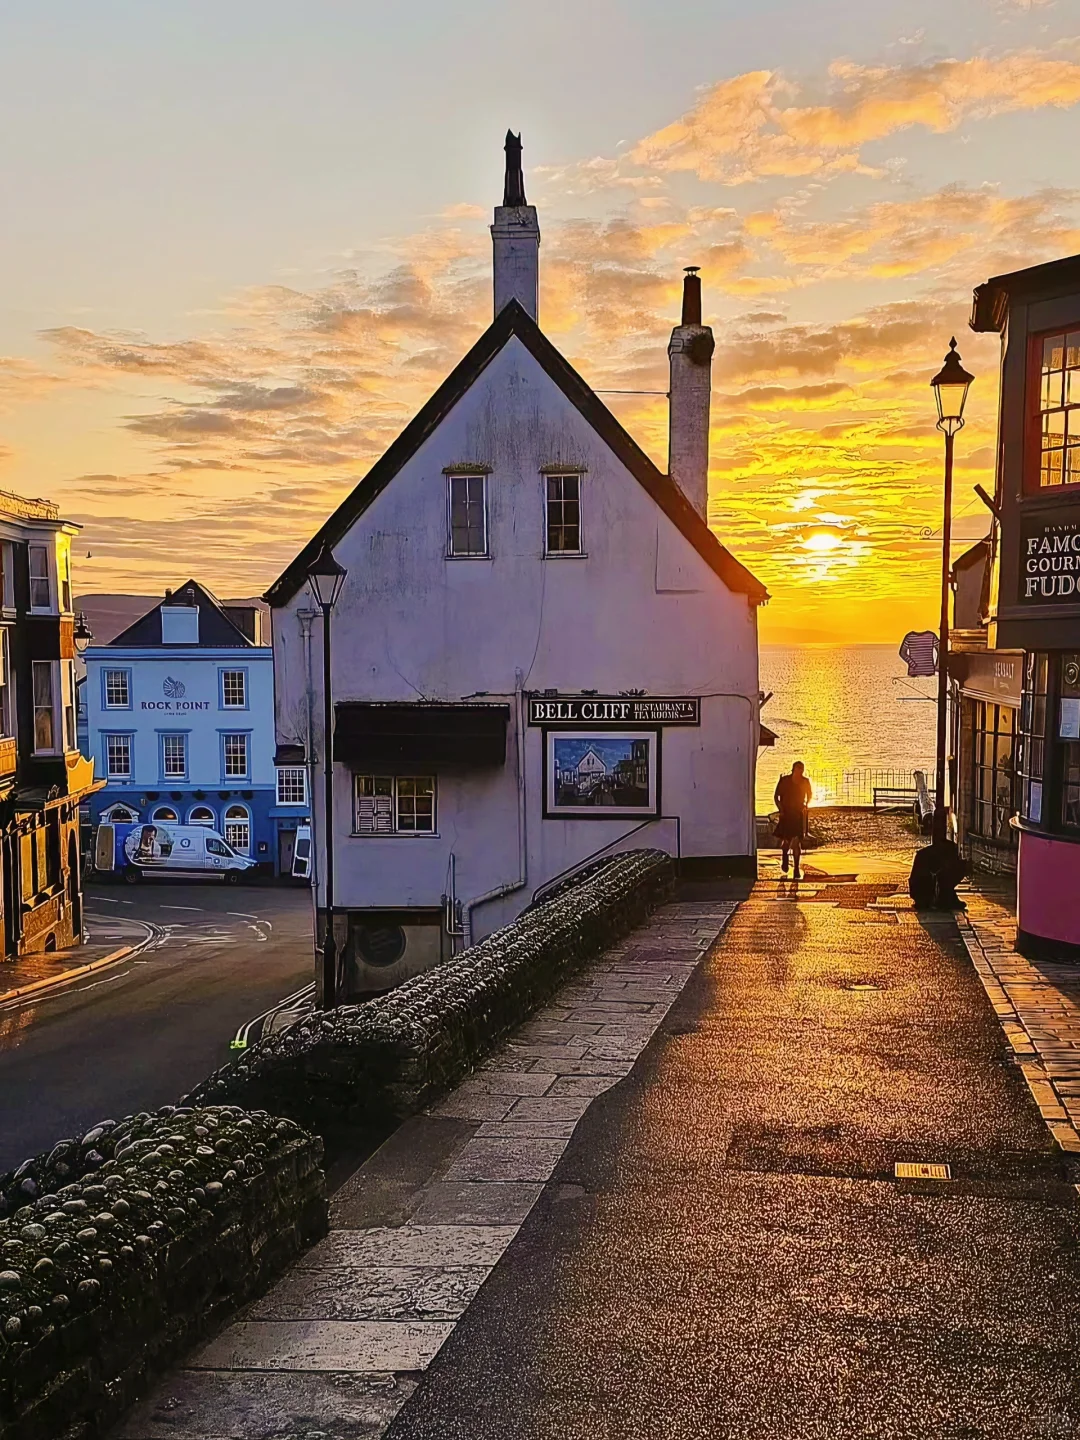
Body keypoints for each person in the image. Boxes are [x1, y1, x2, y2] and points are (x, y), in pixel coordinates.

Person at [774, 761, 812, 879]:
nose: (799, 772)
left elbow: (809, 795)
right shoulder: (785, 781)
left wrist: (806, 804)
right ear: (793, 770)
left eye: (801, 770)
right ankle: (785, 856)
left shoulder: (805, 781)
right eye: (797, 770)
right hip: (786, 814)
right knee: (786, 841)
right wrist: (780, 809)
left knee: (796, 842)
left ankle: (796, 868)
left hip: (798, 814)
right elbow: (776, 796)